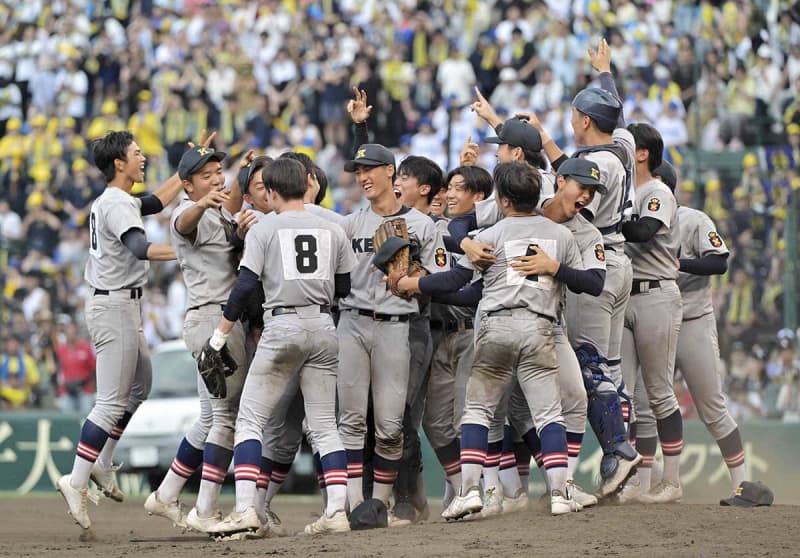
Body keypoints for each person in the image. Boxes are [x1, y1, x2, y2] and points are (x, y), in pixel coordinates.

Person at [397, 161, 591, 517]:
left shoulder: (492, 235)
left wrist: (414, 284)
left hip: (496, 327)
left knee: (478, 411)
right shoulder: (562, 236)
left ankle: (471, 490)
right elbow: (585, 281)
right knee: (549, 414)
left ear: (501, 200)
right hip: (540, 328)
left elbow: (456, 280)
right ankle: (560, 493)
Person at [199, 158, 356, 537]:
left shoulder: (264, 228)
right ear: (308, 185)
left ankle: (245, 510)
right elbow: (345, 287)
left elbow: (244, 287)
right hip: (323, 324)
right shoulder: (331, 227)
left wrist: (219, 335)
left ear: (269, 192)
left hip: (282, 324)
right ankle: (337, 511)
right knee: (323, 426)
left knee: (250, 420)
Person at [56, 130, 186, 532]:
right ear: (118, 163)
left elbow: (158, 201)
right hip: (113, 302)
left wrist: (187, 170)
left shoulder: (119, 199)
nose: (142, 156)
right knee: (111, 401)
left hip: (121, 300)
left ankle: (103, 460)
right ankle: (76, 481)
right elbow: (140, 249)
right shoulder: (115, 204)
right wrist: (190, 252)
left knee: (140, 385)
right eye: (135, 152)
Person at [319, 142, 446, 524]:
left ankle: (381, 504)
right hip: (353, 323)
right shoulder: (349, 224)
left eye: (369, 169)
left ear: (390, 172)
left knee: (390, 425)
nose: (362, 177)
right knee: (352, 420)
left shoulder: (423, 225)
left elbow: (442, 278)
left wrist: (416, 277)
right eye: (358, 171)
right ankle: (357, 504)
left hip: (397, 325)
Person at [144, 144, 255, 533]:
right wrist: (203, 202)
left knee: (210, 416)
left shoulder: (221, 209)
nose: (216, 179)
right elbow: (184, 223)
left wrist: (241, 175)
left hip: (215, 318)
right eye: (206, 175)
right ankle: (206, 510)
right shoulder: (184, 212)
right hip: (212, 319)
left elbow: (229, 205)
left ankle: (166, 494)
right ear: (187, 184)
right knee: (227, 416)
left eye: (217, 171)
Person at [652, 161, 749, 501]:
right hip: (656, 321)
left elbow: (719, 261)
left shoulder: (692, 220)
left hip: (692, 319)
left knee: (711, 406)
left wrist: (680, 264)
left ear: (662, 183)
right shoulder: (638, 225)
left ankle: (742, 484)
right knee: (648, 406)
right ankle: (659, 484)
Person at [619, 123, 683, 504]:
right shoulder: (626, 190)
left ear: (642, 153)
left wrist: (611, 220)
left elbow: (643, 231)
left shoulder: (659, 191)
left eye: (628, 144)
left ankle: (671, 481)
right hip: (626, 294)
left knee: (659, 392)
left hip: (657, 292)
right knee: (622, 395)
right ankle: (633, 481)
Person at [54, 322, 96, 415]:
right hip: (67, 390)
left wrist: (91, 387)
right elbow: (57, 371)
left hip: (85, 389)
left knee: (86, 419)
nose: (71, 335)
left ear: (77, 333)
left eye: (73, 332)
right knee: (67, 420)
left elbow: (94, 369)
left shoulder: (86, 348)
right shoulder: (60, 350)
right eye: (69, 333)